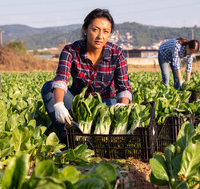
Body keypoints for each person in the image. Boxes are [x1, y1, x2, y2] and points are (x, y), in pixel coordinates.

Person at [41, 8, 132, 140]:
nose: (100, 36)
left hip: (106, 104)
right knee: (48, 88)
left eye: (105, 31)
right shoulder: (71, 50)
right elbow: (61, 79)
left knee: (122, 102)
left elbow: (124, 88)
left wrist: (123, 106)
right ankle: (68, 135)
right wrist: (59, 105)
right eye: (95, 29)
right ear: (85, 29)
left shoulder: (117, 53)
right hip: (79, 103)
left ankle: (98, 134)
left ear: (110, 34)